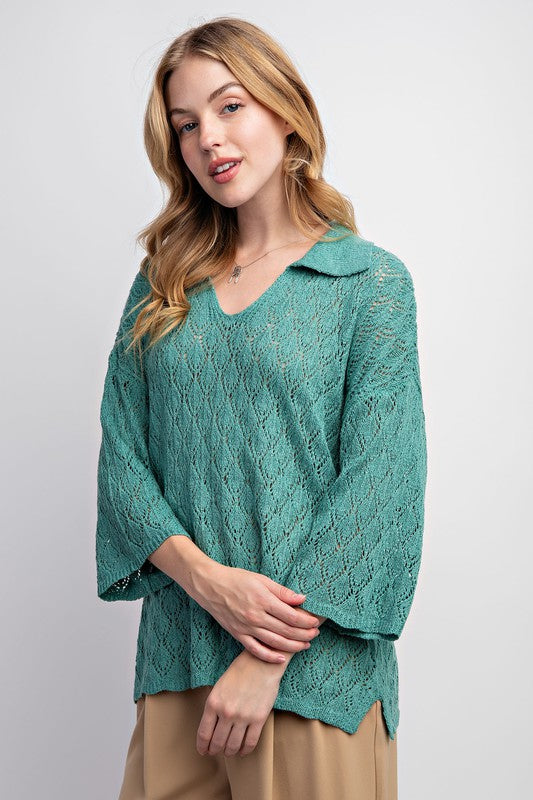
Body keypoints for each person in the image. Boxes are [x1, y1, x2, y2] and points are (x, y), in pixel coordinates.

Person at [95, 15, 427, 800]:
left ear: (285, 110)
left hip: (310, 681)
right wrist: (208, 581)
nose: (208, 137)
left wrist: (263, 659)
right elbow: (122, 456)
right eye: (185, 124)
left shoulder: (368, 284)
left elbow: (380, 487)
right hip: (178, 661)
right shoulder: (163, 285)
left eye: (230, 105)